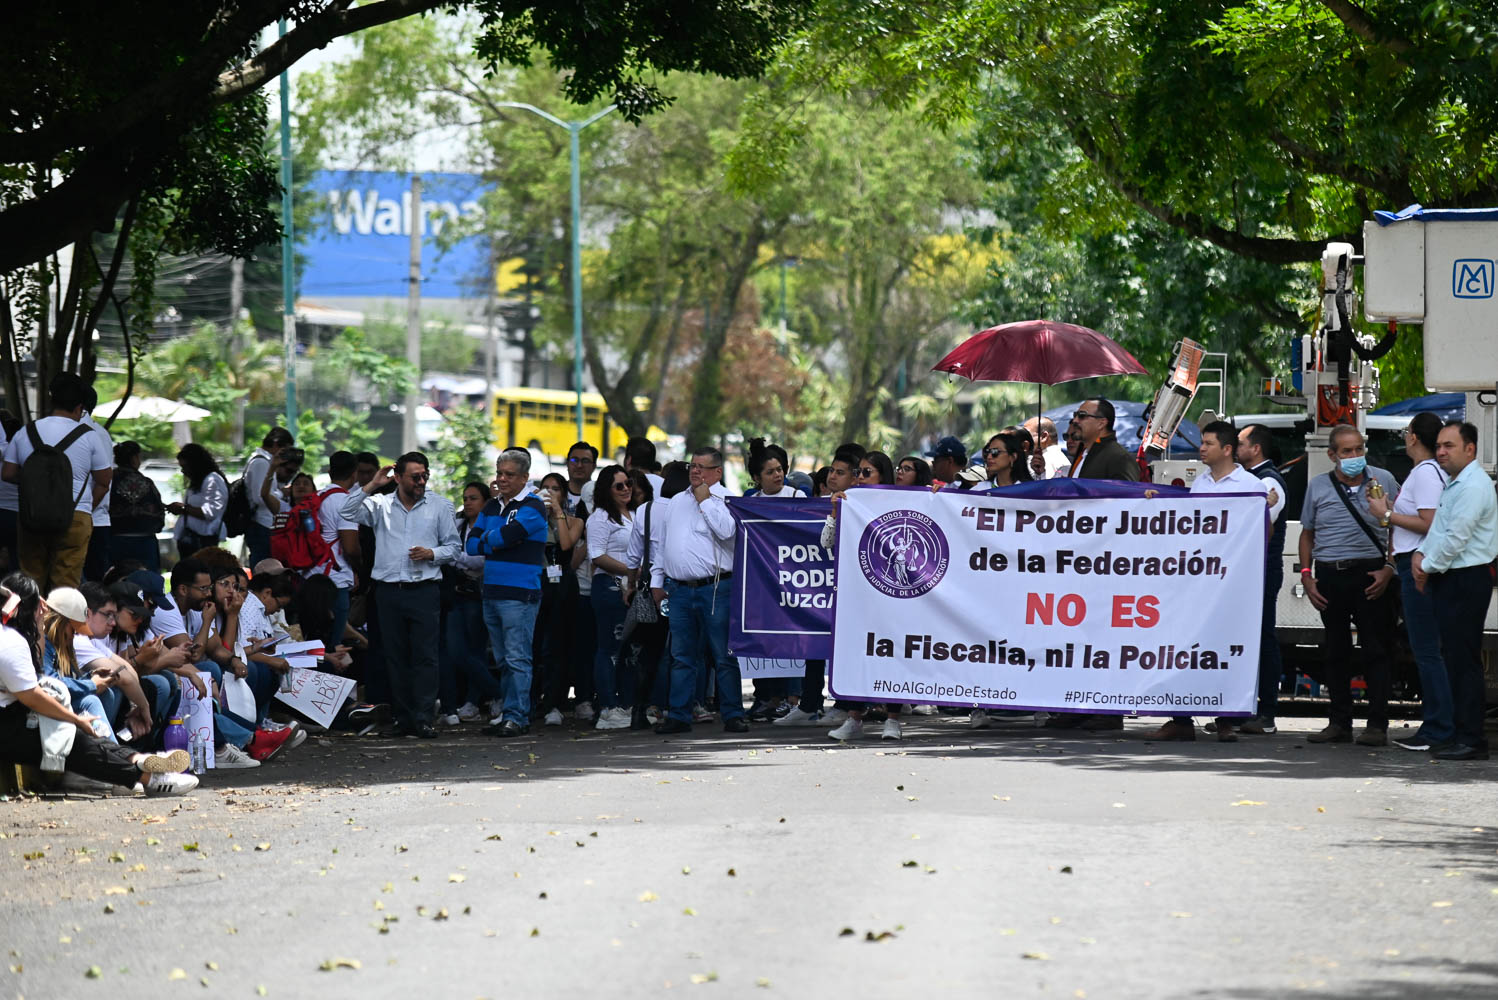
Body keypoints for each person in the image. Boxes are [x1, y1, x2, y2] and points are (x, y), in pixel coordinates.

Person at [0, 573, 196, 796]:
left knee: (77, 735)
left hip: (17, 715)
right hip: (10, 722)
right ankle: (146, 777)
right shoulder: (12, 642)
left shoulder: (16, 637)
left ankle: (139, 760)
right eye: (39, 609)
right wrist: (77, 714)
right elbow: (36, 692)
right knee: (74, 738)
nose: (43, 614)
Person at [1149, 421, 1270, 743]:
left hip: (1231, 585)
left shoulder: (1251, 485)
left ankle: (1226, 719)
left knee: (1223, 646)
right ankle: (1180, 718)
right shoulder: (1200, 484)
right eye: (1201, 443)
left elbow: (1263, 533)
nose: (1201, 448)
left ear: (1227, 449)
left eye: (1208, 443)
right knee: (1184, 645)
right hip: (1196, 581)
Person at [342, 451, 459, 739]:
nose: (421, 481)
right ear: (399, 477)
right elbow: (345, 511)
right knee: (394, 656)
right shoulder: (380, 504)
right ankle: (402, 718)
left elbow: (454, 548)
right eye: (415, 476)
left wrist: (432, 553)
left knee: (425, 657)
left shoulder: (440, 506)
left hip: (424, 589)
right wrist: (371, 485)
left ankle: (423, 718)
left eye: (425, 475)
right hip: (389, 591)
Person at [1299, 424, 1399, 747]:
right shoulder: (1317, 487)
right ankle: (1339, 722)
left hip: (1372, 575)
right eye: (1347, 451)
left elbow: (1399, 527)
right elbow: (1307, 533)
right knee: (1336, 650)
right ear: (1332, 455)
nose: (1355, 456)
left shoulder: (1383, 480)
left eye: (1359, 449)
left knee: (1376, 650)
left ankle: (1377, 726)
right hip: (1331, 576)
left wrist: (1389, 567)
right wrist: (1306, 574)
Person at [1412, 421, 1498, 761]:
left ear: (1470, 449)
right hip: (1449, 575)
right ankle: (1459, 734)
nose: (1441, 452)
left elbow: (1457, 537)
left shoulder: (1474, 485)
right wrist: (1421, 557)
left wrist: (1427, 566)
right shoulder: (1455, 483)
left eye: (1449, 446)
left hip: (1465, 577)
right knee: (1453, 659)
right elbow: (1440, 529)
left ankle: (1472, 739)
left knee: (1464, 662)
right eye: (1439, 446)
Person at [1365, 412, 1451, 751]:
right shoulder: (1428, 473)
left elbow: (1429, 522)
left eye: (1407, 432)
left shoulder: (1426, 473)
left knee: (1428, 650)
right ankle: (1438, 724)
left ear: (1414, 437)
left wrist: (1385, 515)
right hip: (1415, 562)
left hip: (1418, 564)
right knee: (1429, 650)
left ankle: (1437, 728)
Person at [651, 447, 747, 735]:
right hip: (679, 589)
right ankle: (679, 714)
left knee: (723, 655)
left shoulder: (728, 499)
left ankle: (732, 714)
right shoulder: (676, 501)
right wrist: (657, 582)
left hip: (716, 587)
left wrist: (706, 502)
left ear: (717, 472)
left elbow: (727, 532)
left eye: (702, 467)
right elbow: (663, 545)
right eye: (693, 466)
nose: (695, 471)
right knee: (681, 655)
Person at [1, 372, 113, 591]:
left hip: (32, 516)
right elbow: (104, 481)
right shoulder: (90, 435)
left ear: (52, 401)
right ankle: (59, 625)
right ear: (80, 406)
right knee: (65, 586)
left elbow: (7, 473)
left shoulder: (27, 431)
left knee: (30, 581)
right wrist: (85, 510)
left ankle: (29, 623)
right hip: (76, 515)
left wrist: (34, 486)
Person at [823, 449, 905, 740]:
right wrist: (836, 512)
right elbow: (828, 542)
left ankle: (892, 719)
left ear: (884, 475)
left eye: (866, 472)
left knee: (893, 652)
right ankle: (854, 717)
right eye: (857, 472)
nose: (859, 477)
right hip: (859, 595)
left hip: (895, 595)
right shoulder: (851, 502)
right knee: (859, 652)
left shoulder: (905, 502)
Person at [469, 449, 548, 738]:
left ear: (525, 477)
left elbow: (502, 537)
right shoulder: (491, 506)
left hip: (519, 594)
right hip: (491, 592)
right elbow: (472, 545)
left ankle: (517, 716)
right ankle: (510, 714)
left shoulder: (534, 506)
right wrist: (498, 540)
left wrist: (494, 539)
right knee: (503, 659)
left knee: (517, 658)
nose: (501, 479)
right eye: (499, 473)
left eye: (509, 474)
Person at [1235, 423, 1290, 735]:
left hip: (1262, 571)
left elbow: (1256, 523)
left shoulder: (1269, 481)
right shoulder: (1253, 479)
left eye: (1240, 441)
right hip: (1250, 572)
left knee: (1263, 637)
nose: (1235, 446)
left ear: (1255, 448)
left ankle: (1266, 711)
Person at [440, 481, 501, 725]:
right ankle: (499, 692)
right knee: (457, 651)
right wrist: (458, 557)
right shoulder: (457, 524)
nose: (467, 503)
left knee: (476, 650)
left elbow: (479, 561)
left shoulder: (490, 525)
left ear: (485, 502)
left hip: (478, 594)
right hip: (456, 594)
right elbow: (449, 550)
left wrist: (455, 556)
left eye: (473, 498)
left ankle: (473, 702)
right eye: (465, 498)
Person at [586, 464, 638, 730]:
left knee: (630, 650)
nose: (626, 488)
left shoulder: (633, 514)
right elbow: (597, 555)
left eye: (628, 483)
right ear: (607, 490)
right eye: (619, 485)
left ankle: (627, 704)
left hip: (632, 589)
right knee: (609, 648)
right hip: (609, 587)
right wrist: (632, 571)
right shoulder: (600, 517)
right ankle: (607, 707)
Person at [533, 472, 586, 725]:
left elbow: (565, 545)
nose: (550, 492)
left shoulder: (574, 521)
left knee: (558, 645)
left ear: (564, 495)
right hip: (536, 581)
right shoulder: (532, 518)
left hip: (562, 584)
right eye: (545, 488)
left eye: (555, 488)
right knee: (533, 645)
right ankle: (531, 701)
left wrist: (556, 512)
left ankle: (554, 701)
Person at [305, 451, 360, 655]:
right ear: (354, 474)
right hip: (335, 580)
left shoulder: (317, 497)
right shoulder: (347, 502)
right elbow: (351, 547)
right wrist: (358, 569)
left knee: (313, 645)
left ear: (329, 471)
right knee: (332, 645)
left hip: (310, 577)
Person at [563, 441, 599, 723]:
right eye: (574, 460)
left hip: (593, 584)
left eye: (585, 461)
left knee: (590, 645)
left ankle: (587, 697)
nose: (579, 466)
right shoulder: (558, 495)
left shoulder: (601, 496)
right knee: (564, 645)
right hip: (562, 581)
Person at [108, 441, 165, 573]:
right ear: (134, 458)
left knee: (116, 582)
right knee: (147, 584)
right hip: (144, 543)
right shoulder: (147, 483)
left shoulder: (109, 481)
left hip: (116, 540)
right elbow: (159, 513)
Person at [243, 427, 295, 567]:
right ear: (276, 444)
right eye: (285, 450)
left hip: (263, 523)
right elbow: (260, 497)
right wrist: (282, 493)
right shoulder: (262, 462)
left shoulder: (263, 461)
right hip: (262, 523)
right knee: (264, 567)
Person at [80, 386, 115, 582]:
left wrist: (83, 512)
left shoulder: (95, 434)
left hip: (93, 521)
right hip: (91, 519)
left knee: (91, 586)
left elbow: (103, 481)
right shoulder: (98, 433)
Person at [169, 443, 228, 558]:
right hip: (189, 539)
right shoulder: (198, 482)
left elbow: (210, 513)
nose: (183, 471)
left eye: (185, 467)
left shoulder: (212, 480)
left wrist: (183, 509)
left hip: (203, 540)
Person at [1067, 399, 1141, 480]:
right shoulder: (1082, 453)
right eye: (1075, 415)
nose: (1075, 420)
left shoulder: (1120, 458)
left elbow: (1126, 491)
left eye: (1082, 415)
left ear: (1101, 423)